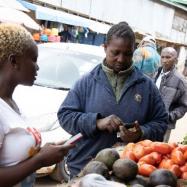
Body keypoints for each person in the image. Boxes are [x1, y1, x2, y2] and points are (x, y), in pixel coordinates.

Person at [57, 22, 168, 178]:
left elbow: (161, 123)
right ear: (105, 48)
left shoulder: (147, 86)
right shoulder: (86, 82)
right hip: (85, 168)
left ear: (133, 51)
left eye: (127, 54)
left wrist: (141, 133)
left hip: (128, 173)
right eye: (115, 52)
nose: (121, 59)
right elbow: (65, 116)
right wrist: (96, 122)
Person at [0, 23, 74, 187]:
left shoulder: (11, 103)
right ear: (14, 61)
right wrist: (40, 160)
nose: (38, 66)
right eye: (34, 59)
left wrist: (43, 151)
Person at [155, 47, 187, 142]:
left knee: (160, 152)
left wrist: (170, 116)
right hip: (149, 122)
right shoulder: (155, 73)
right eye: (162, 57)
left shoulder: (181, 81)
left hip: (165, 125)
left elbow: (184, 106)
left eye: (168, 57)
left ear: (176, 60)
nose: (164, 60)